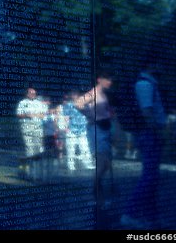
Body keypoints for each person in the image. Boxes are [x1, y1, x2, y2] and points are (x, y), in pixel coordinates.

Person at [120, 60, 168, 229]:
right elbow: (147, 112)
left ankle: (151, 217)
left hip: (150, 133)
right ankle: (129, 214)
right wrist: (158, 132)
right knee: (149, 176)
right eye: (159, 62)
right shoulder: (144, 84)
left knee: (152, 177)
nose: (162, 66)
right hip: (150, 134)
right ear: (152, 64)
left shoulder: (149, 83)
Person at [75, 71, 114, 206]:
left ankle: (99, 197)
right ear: (99, 79)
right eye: (107, 79)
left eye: (111, 79)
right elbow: (78, 103)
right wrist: (91, 115)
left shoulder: (104, 94)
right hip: (97, 129)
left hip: (105, 129)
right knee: (102, 163)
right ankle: (97, 197)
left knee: (105, 164)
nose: (110, 82)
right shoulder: (94, 93)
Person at [16, 87, 47, 180]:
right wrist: (27, 115)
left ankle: (39, 173)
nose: (33, 95)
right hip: (27, 128)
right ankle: (30, 173)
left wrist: (37, 115)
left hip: (37, 127)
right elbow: (19, 114)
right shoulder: (22, 103)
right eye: (31, 93)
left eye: (34, 93)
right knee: (30, 149)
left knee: (39, 149)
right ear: (27, 94)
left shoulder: (39, 103)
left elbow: (43, 115)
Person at [62, 90, 95, 171]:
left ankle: (88, 164)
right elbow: (66, 117)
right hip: (71, 130)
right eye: (73, 95)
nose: (75, 96)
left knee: (85, 148)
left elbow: (89, 113)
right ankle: (71, 165)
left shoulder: (85, 105)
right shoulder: (68, 105)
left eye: (76, 94)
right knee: (71, 149)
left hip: (82, 129)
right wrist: (66, 127)